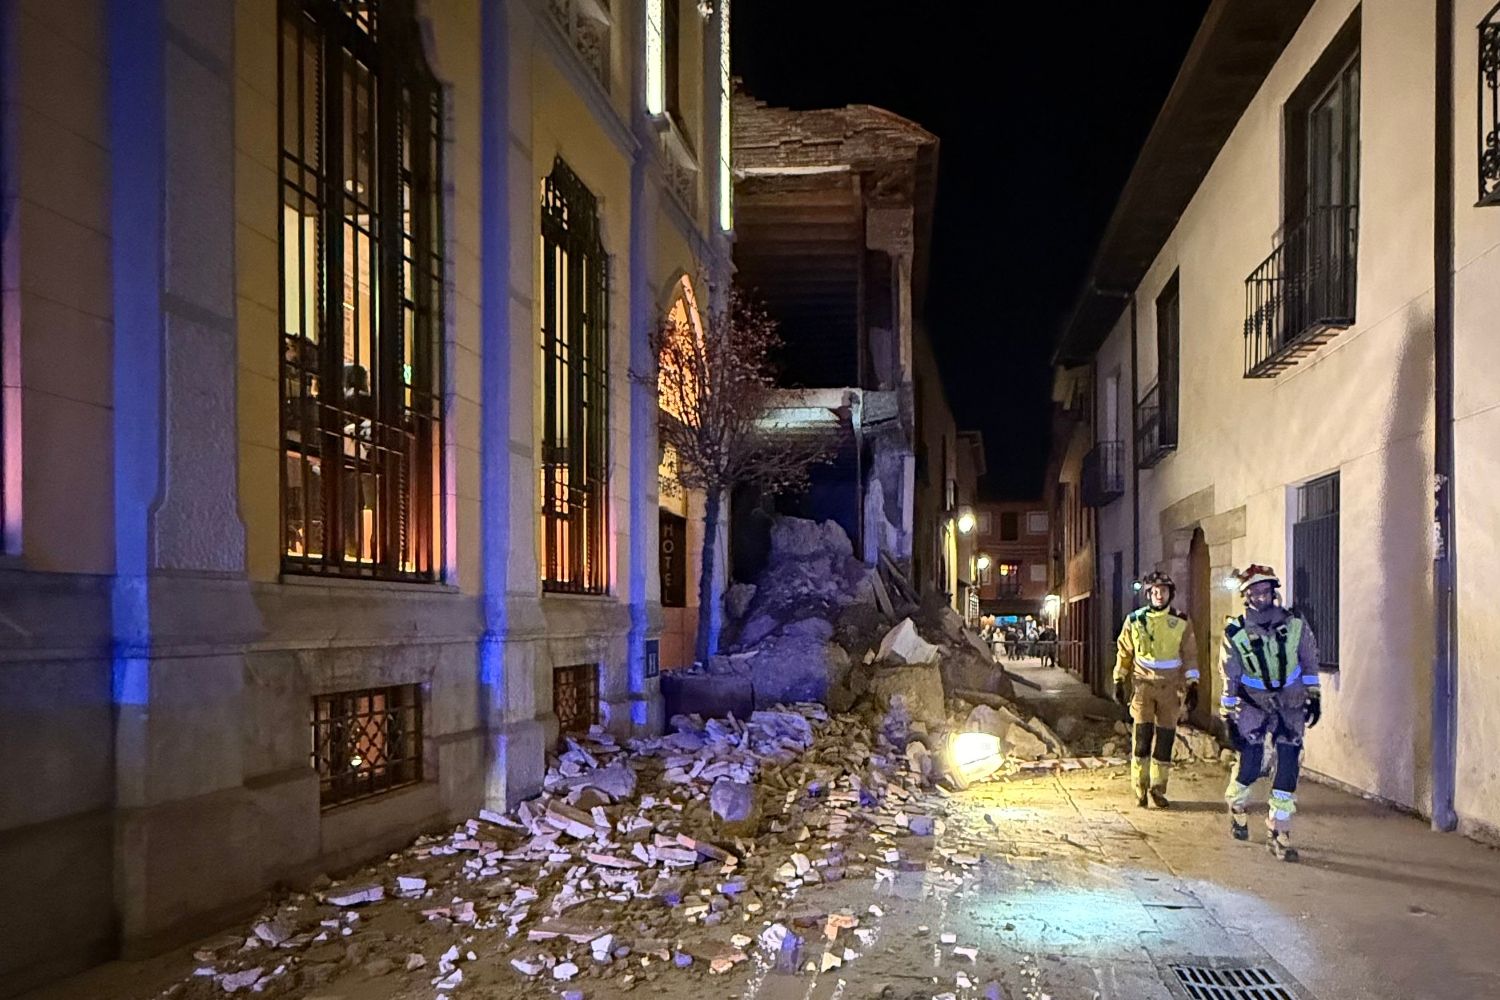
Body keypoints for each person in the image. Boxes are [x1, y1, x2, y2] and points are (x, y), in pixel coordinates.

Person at [1220, 564, 1321, 861]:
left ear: (1273, 592)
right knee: (1251, 765)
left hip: (1290, 702)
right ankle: (1237, 806)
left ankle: (1279, 830)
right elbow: (1230, 675)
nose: (1260, 597)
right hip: (1253, 703)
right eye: (1254, 592)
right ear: (1246, 596)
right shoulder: (1235, 632)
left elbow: (1309, 662)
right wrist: (1227, 715)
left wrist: (1313, 696)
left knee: (1288, 764)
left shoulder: (1295, 625)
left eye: (1265, 591)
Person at [1113, 571, 1199, 808]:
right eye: (1155, 591)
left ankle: (1158, 789)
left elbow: (1190, 655)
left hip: (1170, 689)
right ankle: (1139, 789)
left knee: (1164, 741)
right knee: (1141, 740)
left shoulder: (1181, 621)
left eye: (1164, 591)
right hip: (1143, 687)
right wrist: (1119, 680)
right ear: (1148, 594)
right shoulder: (1135, 620)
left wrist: (1193, 685)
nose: (1159, 595)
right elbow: (1125, 652)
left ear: (1171, 593)